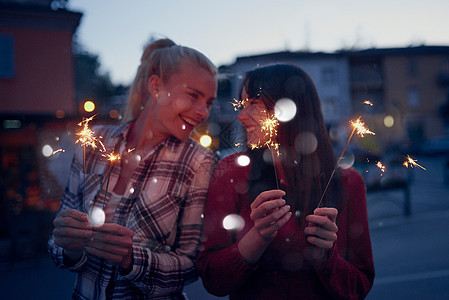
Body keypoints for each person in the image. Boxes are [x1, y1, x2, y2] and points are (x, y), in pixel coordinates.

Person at [48, 38, 218, 299]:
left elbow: (192, 264)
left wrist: (132, 259)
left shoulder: (199, 162)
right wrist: (68, 247)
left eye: (209, 102)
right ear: (156, 86)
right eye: (193, 96)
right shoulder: (94, 143)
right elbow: (56, 243)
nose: (203, 112)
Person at [196, 64, 375, 299]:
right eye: (242, 104)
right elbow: (213, 279)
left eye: (253, 104)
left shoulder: (348, 182)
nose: (240, 116)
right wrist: (257, 238)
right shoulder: (231, 171)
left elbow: (359, 287)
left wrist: (327, 257)